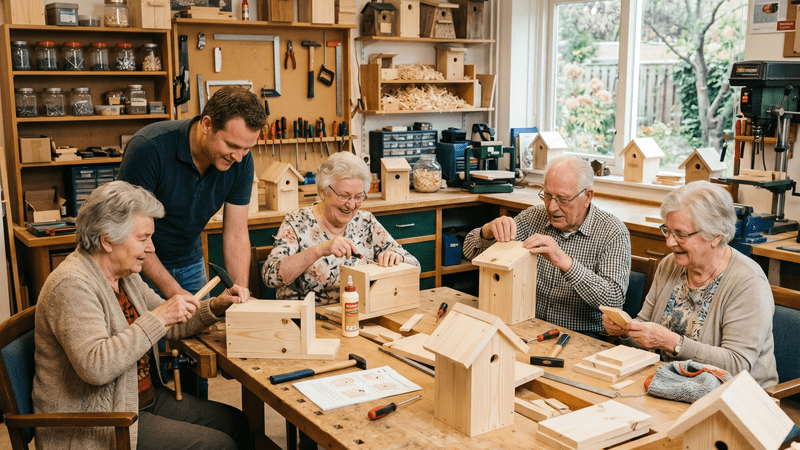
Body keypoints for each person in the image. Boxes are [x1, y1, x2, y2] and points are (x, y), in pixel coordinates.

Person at [32, 181, 251, 450]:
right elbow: (95, 367)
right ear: (107, 240)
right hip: (102, 421)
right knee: (216, 445)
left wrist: (215, 307)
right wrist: (158, 318)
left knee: (237, 423)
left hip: (137, 400)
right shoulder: (72, 284)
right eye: (143, 238)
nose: (151, 249)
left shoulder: (124, 276)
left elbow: (171, 324)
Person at [602, 181, 778, 387]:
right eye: (666, 231)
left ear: (715, 235)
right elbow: (645, 331)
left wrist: (673, 343)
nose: (669, 242)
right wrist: (626, 331)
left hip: (736, 397)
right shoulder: (671, 264)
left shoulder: (747, 282)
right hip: (671, 384)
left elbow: (737, 365)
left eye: (681, 234)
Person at [118, 86, 267, 300]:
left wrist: (240, 293)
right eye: (232, 145)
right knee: (150, 332)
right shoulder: (149, 148)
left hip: (190, 263)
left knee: (200, 330)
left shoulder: (240, 161)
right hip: (138, 264)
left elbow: (236, 233)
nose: (239, 157)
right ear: (207, 125)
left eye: (246, 149)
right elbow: (131, 233)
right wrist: (174, 292)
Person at [463, 155, 630, 334]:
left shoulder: (613, 232)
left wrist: (566, 263)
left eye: (563, 199)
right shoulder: (533, 217)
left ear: (587, 196)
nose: (551, 207)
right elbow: (469, 251)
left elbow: (614, 299)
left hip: (579, 335)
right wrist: (487, 231)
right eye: (548, 196)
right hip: (526, 324)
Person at [263, 152, 419, 305]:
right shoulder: (297, 222)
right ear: (323, 192)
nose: (351, 205)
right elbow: (269, 275)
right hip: (308, 317)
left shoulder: (365, 222)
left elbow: (416, 267)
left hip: (357, 312)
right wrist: (319, 250)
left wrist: (395, 257)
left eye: (358, 197)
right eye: (344, 196)